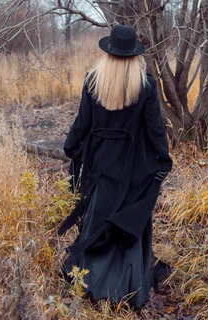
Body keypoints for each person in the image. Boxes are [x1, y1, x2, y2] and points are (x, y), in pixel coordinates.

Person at [58, 24, 173, 308]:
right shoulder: (145, 84)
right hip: (133, 169)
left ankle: (89, 278)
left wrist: (71, 147)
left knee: (98, 217)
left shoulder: (92, 80)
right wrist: (163, 160)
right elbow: (155, 130)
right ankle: (129, 285)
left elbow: (82, 123)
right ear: (135, 55)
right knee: (127, 221)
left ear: (108, 52)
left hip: (99, 165)